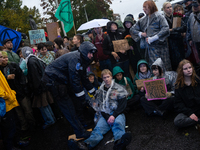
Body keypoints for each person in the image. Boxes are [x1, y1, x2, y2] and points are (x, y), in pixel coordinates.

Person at [42, 41, 97, 139]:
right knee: (69, 108)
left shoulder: (82, 59)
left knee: (75, 104)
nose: (91, 55)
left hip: (61, 80)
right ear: (84, 52)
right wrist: (82, 98)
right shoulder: (75, 59)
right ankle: (80, 132)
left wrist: (94, 92)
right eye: (90, 53)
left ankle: (82, 126)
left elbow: (83, 78)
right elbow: (74, 79)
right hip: (55, 82)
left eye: (92, 53)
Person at [68, 69, 132, 150]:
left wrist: (113, 115)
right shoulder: (101, 92)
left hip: (117, 113)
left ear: (111, 77)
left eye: (108, 77)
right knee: (98, 129)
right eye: (104, 78)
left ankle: (119, 142)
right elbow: (100, 106)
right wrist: (107, 116)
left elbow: (122, 105)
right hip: (105, 114)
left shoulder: (118, 88)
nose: (106, 79)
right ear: (102, 79)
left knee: (118, 124)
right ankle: (86, 145)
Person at [130, 0, 171, 71]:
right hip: (150, 49)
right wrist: (141, 34)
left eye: (145, 7)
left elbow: (166, 29)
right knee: (154, 68)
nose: (144, 9)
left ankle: (167, 82)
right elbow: (132, 29)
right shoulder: (143, 20)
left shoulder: (159, 16)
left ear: (151, 7)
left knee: (164, 67)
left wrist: (154, 38)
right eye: (143, 7)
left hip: (161, 47)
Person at [21, 46, 56, 129]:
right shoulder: (35, 59)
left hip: (39, 87)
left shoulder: (30, 61)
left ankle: (49, 120)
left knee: (42, 105)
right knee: (45, 104)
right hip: (43, 85)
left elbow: (35, 76)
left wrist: (36, 88)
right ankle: (52, 119)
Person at [174, 59, 200, 128]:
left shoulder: (198, 80)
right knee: (178, 121)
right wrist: (190, 113)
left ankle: (196, 120)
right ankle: (197, 120)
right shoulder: (178, 86)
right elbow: (178, 103)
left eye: (190, 67)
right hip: (188, 110)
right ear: (181, 71)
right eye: (185, 69)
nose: (188, 70)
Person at [163, 2, 186, 71]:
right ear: (164, 9)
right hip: (170, 44)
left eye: (170, 7)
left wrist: (173, 30)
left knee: (183, 61)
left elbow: (184, 27)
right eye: (168, 7)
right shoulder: (163, 19)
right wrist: (174, 31)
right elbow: (165, 32)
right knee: (175, 63)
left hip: (179, 42)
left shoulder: (176, 16)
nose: (170, 9)